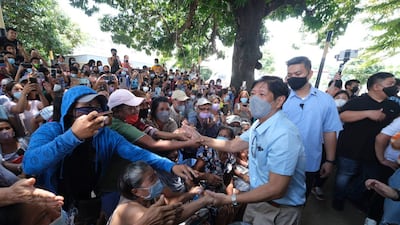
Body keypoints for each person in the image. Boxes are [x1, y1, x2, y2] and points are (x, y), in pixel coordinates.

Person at [22, 86, 196, 224]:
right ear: (70, 112)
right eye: (86, 109)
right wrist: (73, 136)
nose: (94, 114)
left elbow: (138, 153)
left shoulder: (106, 135)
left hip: (85, 202)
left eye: (98, 108)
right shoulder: (51, 131)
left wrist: (171, 166)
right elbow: (30, 164)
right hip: (49, 206)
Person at [190, 76, 306, 225]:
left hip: (278, 210)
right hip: (257, 200)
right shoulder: (259, 124)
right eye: (253, 93)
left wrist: (229, 199)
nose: (254, 99)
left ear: (279, 101)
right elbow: (232, 145)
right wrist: (201, 138)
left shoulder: (284, 134)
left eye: (262, 94)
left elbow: (277, 189)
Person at [333, 72, 400, 213]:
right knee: (344, 175)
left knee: (370, 178)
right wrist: (368, 113)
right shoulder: (358, 101)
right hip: (351, 149)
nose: (395, 87)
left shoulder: (392, 105)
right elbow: (343, 116)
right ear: (376, 86)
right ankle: (338, 199)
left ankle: (352, 195)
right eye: (391, 84)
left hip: (375, 151)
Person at [282, 56, 342, 197]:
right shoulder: (281, 98)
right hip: (279, 157)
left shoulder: (326, 101)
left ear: (310, 74)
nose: (293, 78)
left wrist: (330, 160)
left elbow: (330, 132)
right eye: (289, 75)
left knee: (300, 198)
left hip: (309, 161)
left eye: (298, 74)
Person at [108, 161, 214, 225]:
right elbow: (169, 220)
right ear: (136, 191)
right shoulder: (129, 208)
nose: (157, 179)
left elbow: (171, 206)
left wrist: (193, 196)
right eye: (152, 178)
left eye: (155, 175)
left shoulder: (149, 196)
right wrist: (204, 201)